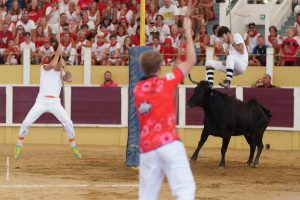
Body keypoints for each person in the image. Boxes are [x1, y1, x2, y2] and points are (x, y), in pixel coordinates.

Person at [134, 17, 196, 200]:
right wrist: (188, 32)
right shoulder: (167, 81)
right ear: (160, 66)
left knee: (146, 196)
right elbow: (191, 59)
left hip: (147, 148)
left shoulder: (137, 89)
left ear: (142, 69)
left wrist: (173, 72)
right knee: (185, 190)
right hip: (169, 143)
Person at [14, 47, 81, 159]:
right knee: (26, 123)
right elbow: (52, 64)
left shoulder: (61, 72)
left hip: (55, 102)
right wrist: (58, 53)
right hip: (41, 101)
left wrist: (64, 66)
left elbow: (70, 79)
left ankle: (73, 145)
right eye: (59, 63)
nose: (60, 65)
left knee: (68, 123)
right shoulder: (44, 68)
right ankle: (18, 145)